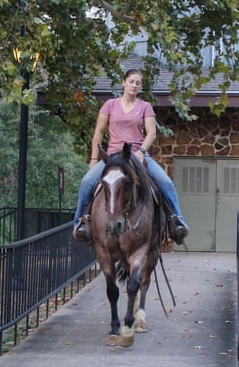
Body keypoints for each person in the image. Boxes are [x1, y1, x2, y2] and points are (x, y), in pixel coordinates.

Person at [73, 68, 189, 244]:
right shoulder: (110, 105)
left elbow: (151, 133)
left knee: (166, 182)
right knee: (87, 181)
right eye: (131, 81)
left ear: (140, 87)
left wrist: (141, 152)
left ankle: (177, 221)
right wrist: (94, 159)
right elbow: (98, 132)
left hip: (137, 155)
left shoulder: (145, 107)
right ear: (124, 82)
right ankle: (81, 223)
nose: (134, 85)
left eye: (138, 83)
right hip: (112, 157)